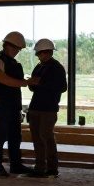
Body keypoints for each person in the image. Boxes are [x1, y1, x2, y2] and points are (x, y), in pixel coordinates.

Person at [0, 31, 33, 177]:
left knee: (15, 137)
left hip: (14, 106)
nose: (18, 51)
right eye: (16, 48)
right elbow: (2, 79)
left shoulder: (15, 63)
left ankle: (16, 165)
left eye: (19, 49)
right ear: (8, 45)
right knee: (0, 135)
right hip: (2, 106)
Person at [26, 38, 67, 177]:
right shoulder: (39, 67)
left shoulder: (57, 68)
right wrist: (33, 83)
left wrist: (40, 84)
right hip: (36, 107)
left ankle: (52, 168)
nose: (38, 56)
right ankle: (40, 167)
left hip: (48, 108)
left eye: (40, 53)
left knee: (46, 137)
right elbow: (33, 86)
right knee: (37, 138)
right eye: (38, 54)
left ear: (48, 52)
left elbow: (63, 87)